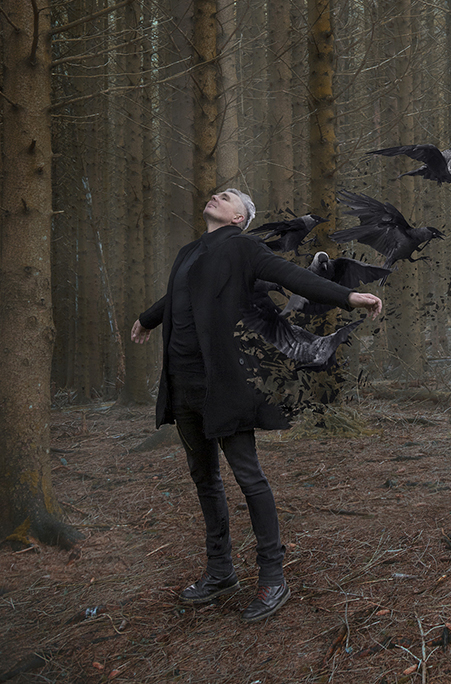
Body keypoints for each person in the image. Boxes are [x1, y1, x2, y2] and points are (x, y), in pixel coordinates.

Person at [132, 188, 384, 622]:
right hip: (180, 381)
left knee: (248, 476)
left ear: (238, 219)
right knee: (203, 478)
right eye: (218, 192)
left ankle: (272, 577)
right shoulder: (191, 251)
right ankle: (220, 571)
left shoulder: (243, 247)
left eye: (228, 196)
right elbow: (178, 295)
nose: (217, 195)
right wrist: (147, 318)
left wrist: (348, 297)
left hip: (223, 381)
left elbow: (291, 276)